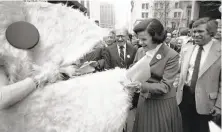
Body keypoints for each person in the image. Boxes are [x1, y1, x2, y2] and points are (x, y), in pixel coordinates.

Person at [125, 18, 182, 132]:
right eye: (138, 39)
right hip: (144, 102)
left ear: (156, 37)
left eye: (144, 39)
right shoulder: (141, 51)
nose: (140, 43)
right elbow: (135, 69)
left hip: (161, 105)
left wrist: (141, 86)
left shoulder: (172, 55)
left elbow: (165, 86)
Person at [176, 17, 221, 132]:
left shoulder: (219, 51)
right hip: (184, 99)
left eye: (200, 31)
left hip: (208, 103)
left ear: (211, 33)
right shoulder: (187, 48)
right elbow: (180, 72)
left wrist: (219, 105)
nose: (195, 34)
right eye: (194, 31)